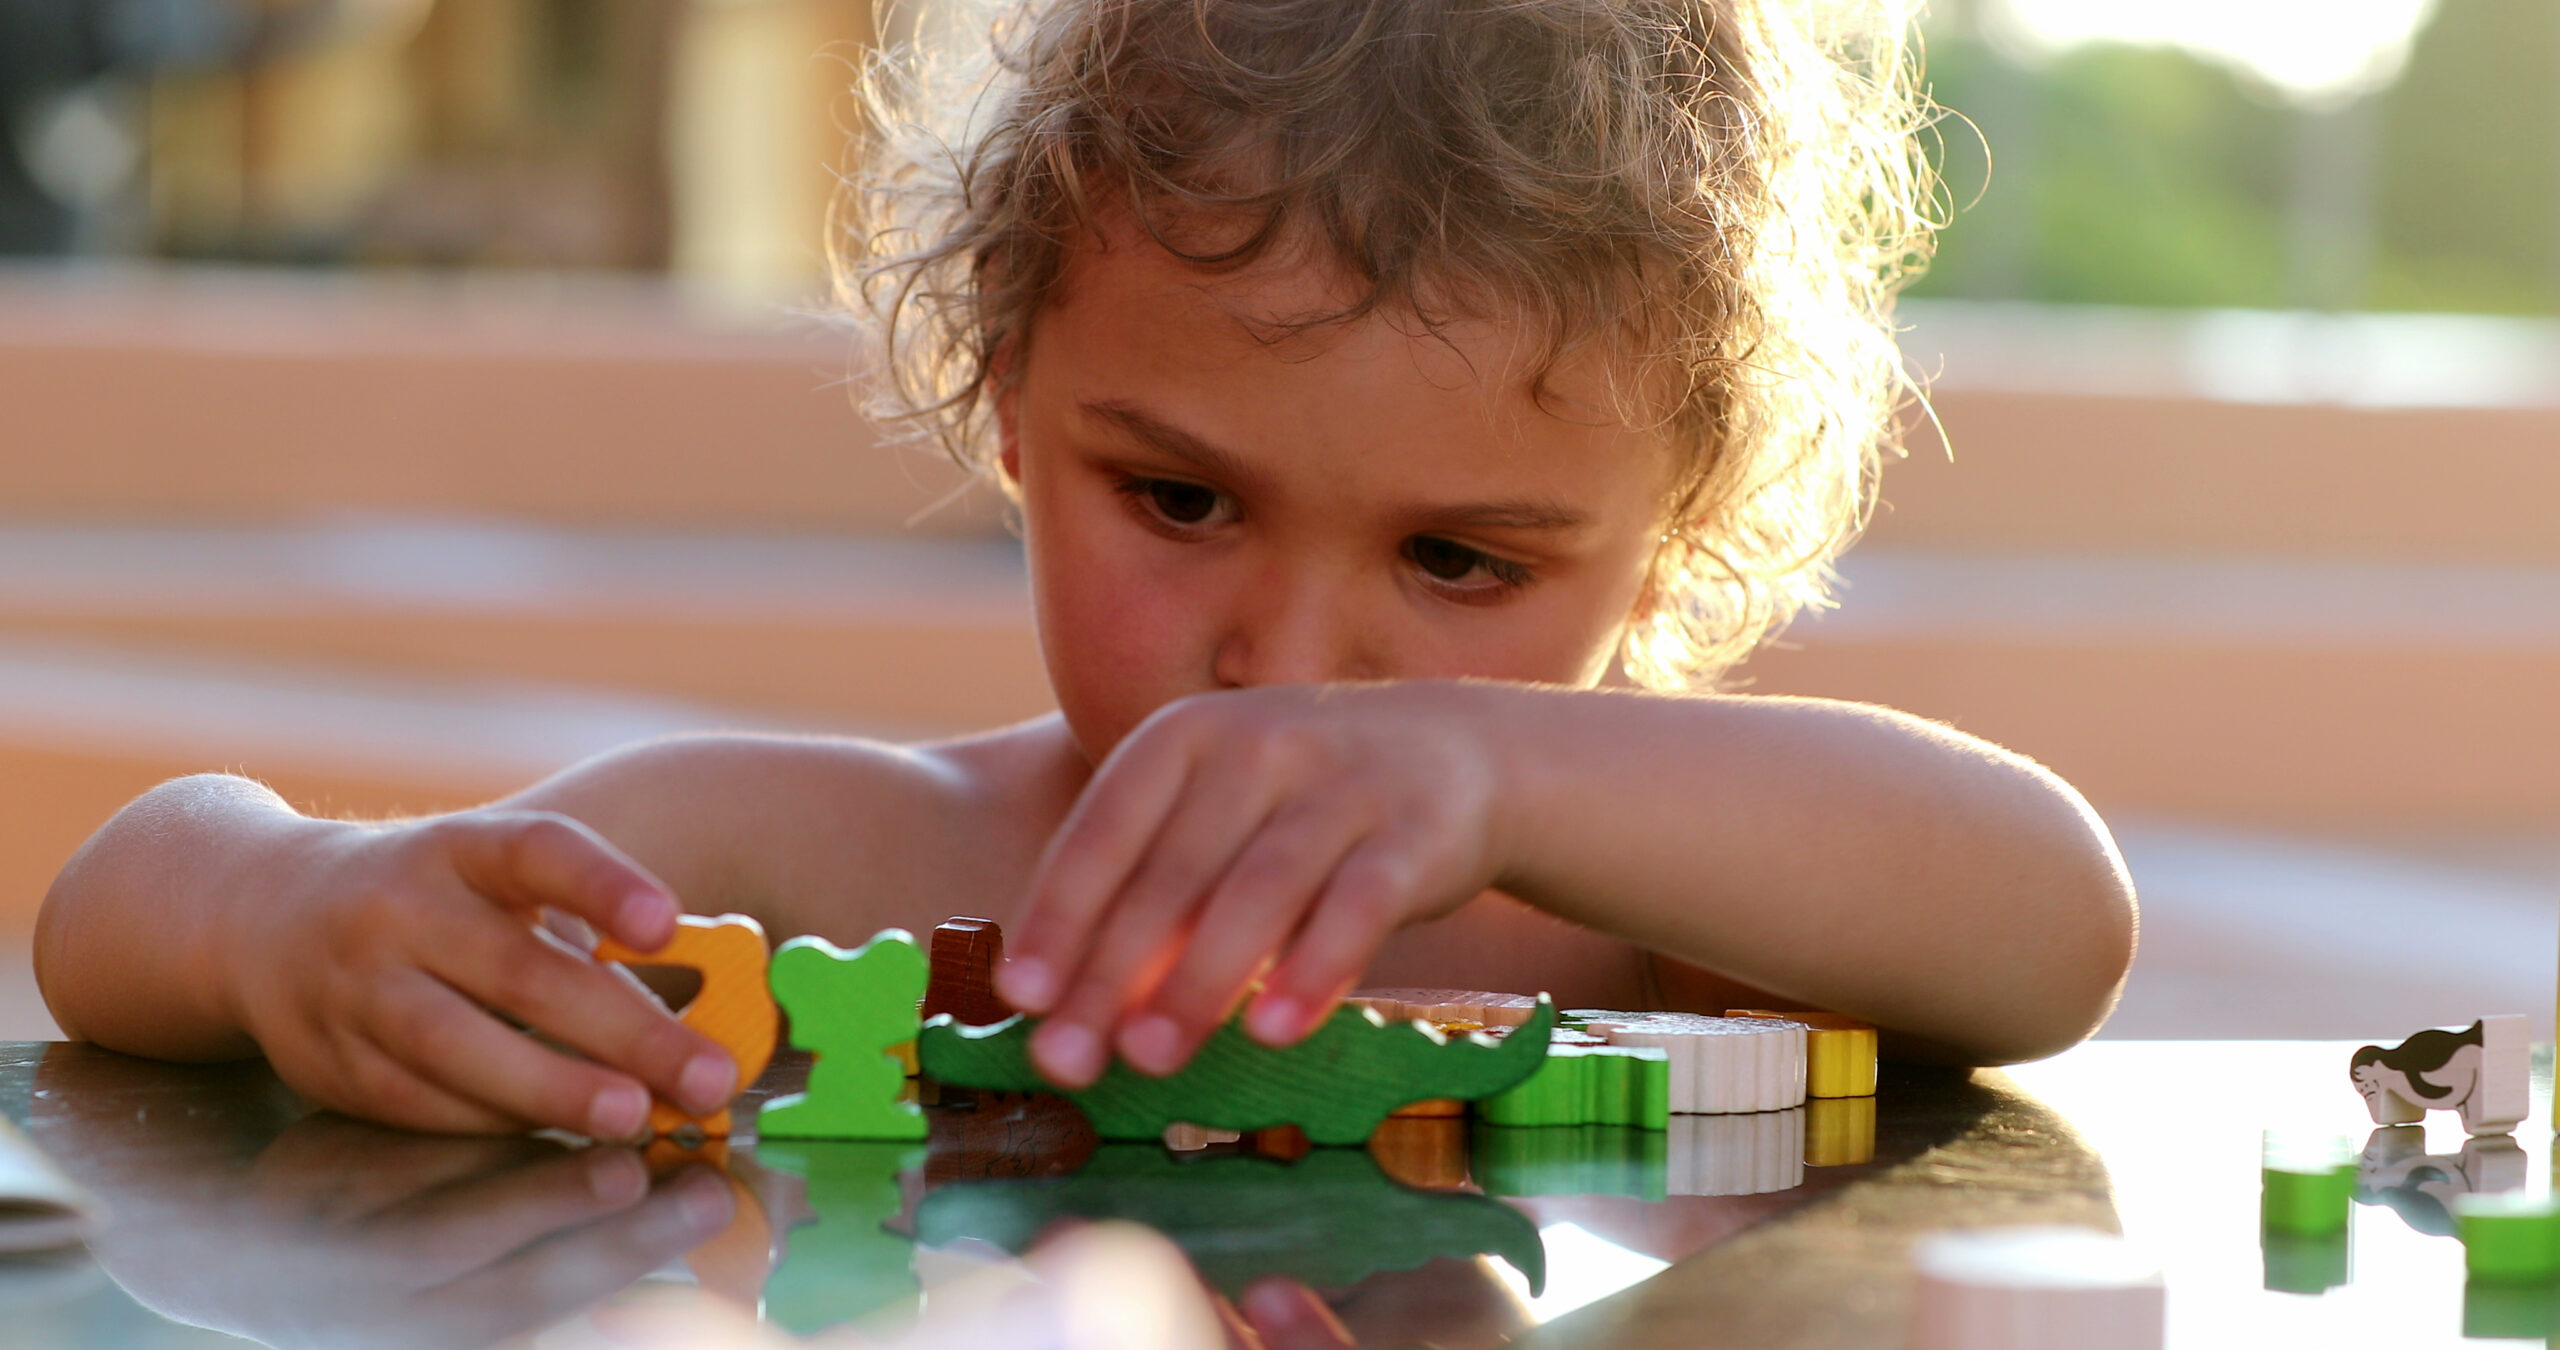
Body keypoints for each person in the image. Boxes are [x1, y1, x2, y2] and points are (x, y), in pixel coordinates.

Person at [34, 0, 2136, 1144]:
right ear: (1011, 391)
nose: (1285, 658)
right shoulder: (848, 854)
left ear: (1662, 533)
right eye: (1183, 501)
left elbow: (2051, 923)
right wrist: (283, 911)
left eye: (1456, 560)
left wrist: (1508, 782)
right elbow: (124, 908)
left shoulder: (1650, 920)